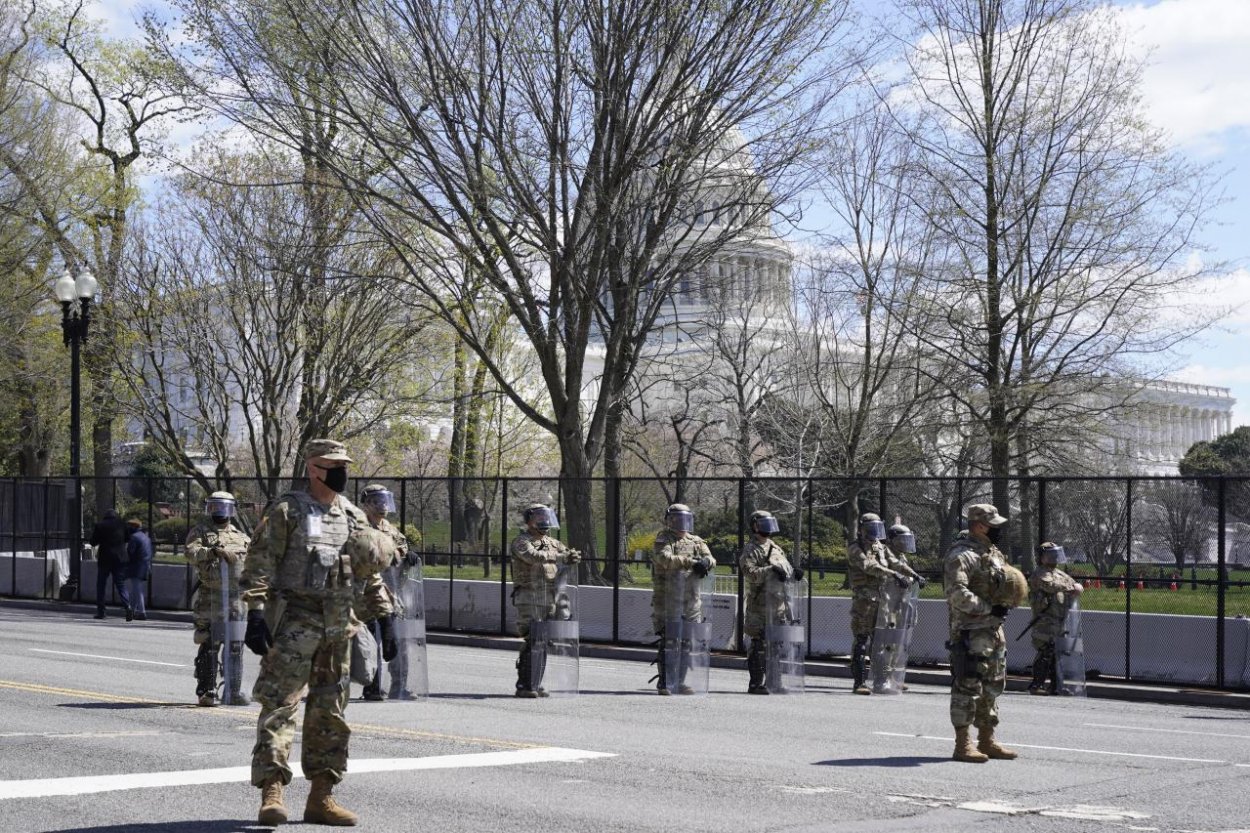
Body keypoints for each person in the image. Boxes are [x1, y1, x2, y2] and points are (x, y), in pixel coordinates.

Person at [240, 439, 396, 827]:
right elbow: (261, 561)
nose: (341, 471)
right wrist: (255, 613)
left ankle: (321, 798)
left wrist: (385, 616)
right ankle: (272, 791)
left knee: (331, 714)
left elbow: (369, 570)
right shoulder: (287, 510)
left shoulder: (352, 514)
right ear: (313, 468)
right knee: (280, 707)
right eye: (333, 465)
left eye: (344, 464)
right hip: (295, 620)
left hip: (338, 624)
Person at [944, 503, 1026, 763]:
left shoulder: (994, 554)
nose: (999, 531)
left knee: (993, 685)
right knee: (967, 686)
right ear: (980, 525)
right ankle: (962, 744)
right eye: (995, 526)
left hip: (992, 630)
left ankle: (987, 740)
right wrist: (989, 609)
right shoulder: (962, 555)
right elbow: (956, 593)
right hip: (970, 631)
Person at [186, 492, 252, 707]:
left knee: (235, 645)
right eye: (215, 507)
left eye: (223, 507)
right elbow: (191, 552)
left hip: (235, 598)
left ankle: (234, 690)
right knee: (209, 642)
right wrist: (212, 552)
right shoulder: (201, 532)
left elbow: (253, 560)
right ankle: (207, 690)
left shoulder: (241, 536)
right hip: (210, 597)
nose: (219, 511)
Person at [509, 503, 580, 698]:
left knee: (543, 641)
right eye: (539, 516)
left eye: (546, 516)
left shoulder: (554, 543)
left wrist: (572, 556)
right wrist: (559, 557)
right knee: (533, 638)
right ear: (529, 520)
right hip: (529, 597)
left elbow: (565, 555)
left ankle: (535, 681)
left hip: (550, 598)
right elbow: (533, 557)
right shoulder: (521, 541)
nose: (544, 520)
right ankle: (524, 684)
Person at [650, 503, 715, 695]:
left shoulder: (696, 540)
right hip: (668, 599)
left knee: (686, 642)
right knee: (669, 640)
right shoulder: (664, 538)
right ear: (669, 520)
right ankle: (665, 682)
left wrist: (706, 562)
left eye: (685, 518)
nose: (681, 523)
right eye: (677, 519)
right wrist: (691, 562)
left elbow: (711, 558)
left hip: (691, 599)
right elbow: (665, 559)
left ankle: (679, 681)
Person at [846, 512, 912, 695]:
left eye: (877, 528)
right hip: (864, 600)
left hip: (882, 600)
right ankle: (859, 683)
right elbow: (869, 566)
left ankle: (882, 681)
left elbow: (894, 562)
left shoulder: (879, 547)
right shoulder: (855, 548)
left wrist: (913, 574)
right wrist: (893, 574)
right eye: (871, 528)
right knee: (861, 641)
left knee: (881, 642)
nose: (875, 532)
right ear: (862, 530)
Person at [739, 510, 801, 694]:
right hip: (760, 605)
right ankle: (756, 683)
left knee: (775, 645)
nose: (767, 528)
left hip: (779, 605)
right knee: (758, 644)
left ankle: (775, 682)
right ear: (755, 526)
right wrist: (770, 571)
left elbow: (784, 569)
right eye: (762, 524)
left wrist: (794, 572)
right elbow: (751, 574)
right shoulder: (750, 550)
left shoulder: (775, 547)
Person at [357, 483, 408, 702]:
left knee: (396, 640)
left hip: (391, 591)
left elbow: (402, 546)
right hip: (366, 594)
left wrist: (406, 554)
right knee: (372, 642)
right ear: (366, 504)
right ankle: (373, 686)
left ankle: (400, 685)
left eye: (384, 500)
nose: (382, 506)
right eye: (377, 501)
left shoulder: (389, 528)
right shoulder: (359, 526)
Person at [1027, 541, 1083, 695]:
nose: (1054, 558)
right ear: (1042, 557)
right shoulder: (1040, 573)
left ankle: (1056, 685)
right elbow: (1050, 585)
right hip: (1045, 621)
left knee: (1056, 654)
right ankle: (1036, 685)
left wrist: (1078, 586)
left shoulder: (1059, 573)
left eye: (1056, 554)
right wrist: (1072, 587)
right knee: (1045, 652)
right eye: (1050, 555)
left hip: (1060, 620)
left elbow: (1073, 583)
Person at [89, 509, 132, 620]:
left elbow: (93, 542)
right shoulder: (122, 524)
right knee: (120, 584)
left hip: (105, 558)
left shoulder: (100, 525)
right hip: (120, 558)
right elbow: (128, 538)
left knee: (101, 585)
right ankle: (127, 606)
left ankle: (101, 611)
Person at [124, 518, 154, 621]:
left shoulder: (134, 538)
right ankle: (132, 610)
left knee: (137, 589)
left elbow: (130, 552)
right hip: (145, 565)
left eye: (129, 526)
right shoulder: (146, 537)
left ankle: (142, 612)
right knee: (135, 589)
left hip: (136, 566)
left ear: (133, 527)